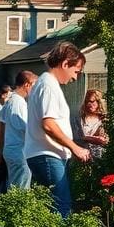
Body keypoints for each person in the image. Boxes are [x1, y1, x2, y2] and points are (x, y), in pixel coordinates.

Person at [25, 42, 91, 218]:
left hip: (44, 154)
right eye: (76, 71)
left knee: (50, 206)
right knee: (60, 206)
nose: (75, 78)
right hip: (48, 155)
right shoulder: (48, 86)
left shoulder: (44, 84)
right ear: (65, 64)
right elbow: (48, 124)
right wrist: (74, 147)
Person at [0, 70, 37, 191]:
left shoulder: (10, 101)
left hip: (10, 150)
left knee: (13, 186)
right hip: (19, 152)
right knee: (21, 190)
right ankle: (17, 210)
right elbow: (27, 129)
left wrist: (1, 151)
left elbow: (0, 127)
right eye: (34, 86)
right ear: (27, 84)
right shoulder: (19, 103)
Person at [72, 89, 109, 160]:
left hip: (101, 157)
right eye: (87, 102)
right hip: (82, 156)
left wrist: (88, 138)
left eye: (92, 101)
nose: (89, 104)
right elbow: (77, 137)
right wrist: (94, 138)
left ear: (99, 102)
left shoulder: (104, 120)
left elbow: (105, 140)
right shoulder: (79, 118)